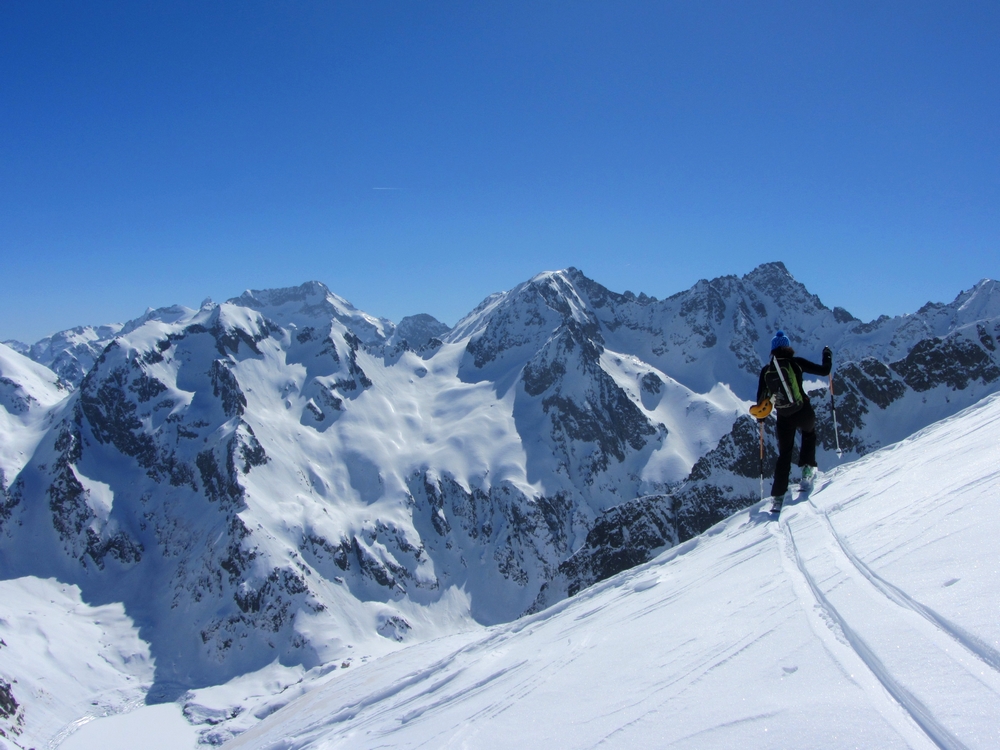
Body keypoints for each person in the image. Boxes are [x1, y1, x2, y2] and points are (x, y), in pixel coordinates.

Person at [754, 330, 832, 512]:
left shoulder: (767, 370)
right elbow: (824, 371)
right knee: (809, 433)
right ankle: (806, 473)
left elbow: (760, 400)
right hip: (802, 410)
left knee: (785, 454)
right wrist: (827, 355)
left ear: (773, 350)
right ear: (788, 347)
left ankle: (778, 497)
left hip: (783, 416)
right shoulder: (796, 363)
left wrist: (761, 419)